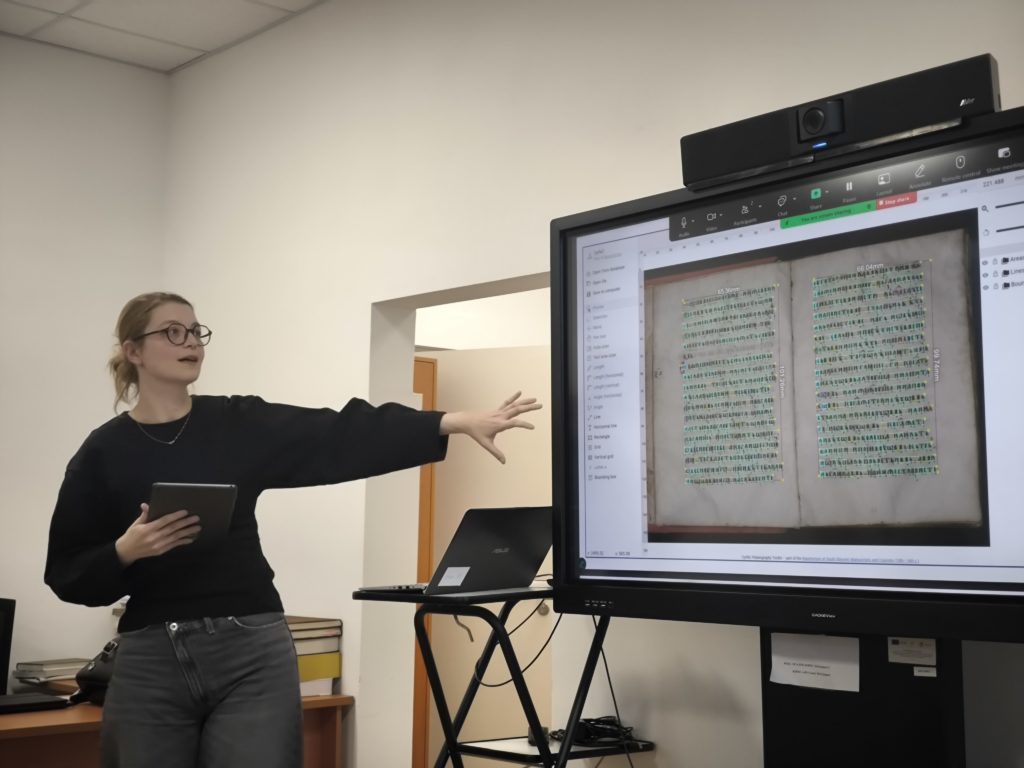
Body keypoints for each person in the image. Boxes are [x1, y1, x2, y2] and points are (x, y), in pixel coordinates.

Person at [44, 291, 541, 768]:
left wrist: (448, 421)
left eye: (196, 331)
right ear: (133, 351)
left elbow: (337, 433)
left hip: (250, 648)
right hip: (150, 656)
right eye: (173, 332)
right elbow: (67, 572)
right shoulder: (103, 452)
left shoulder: (236, 422)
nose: (191, 341)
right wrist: (125, 550)